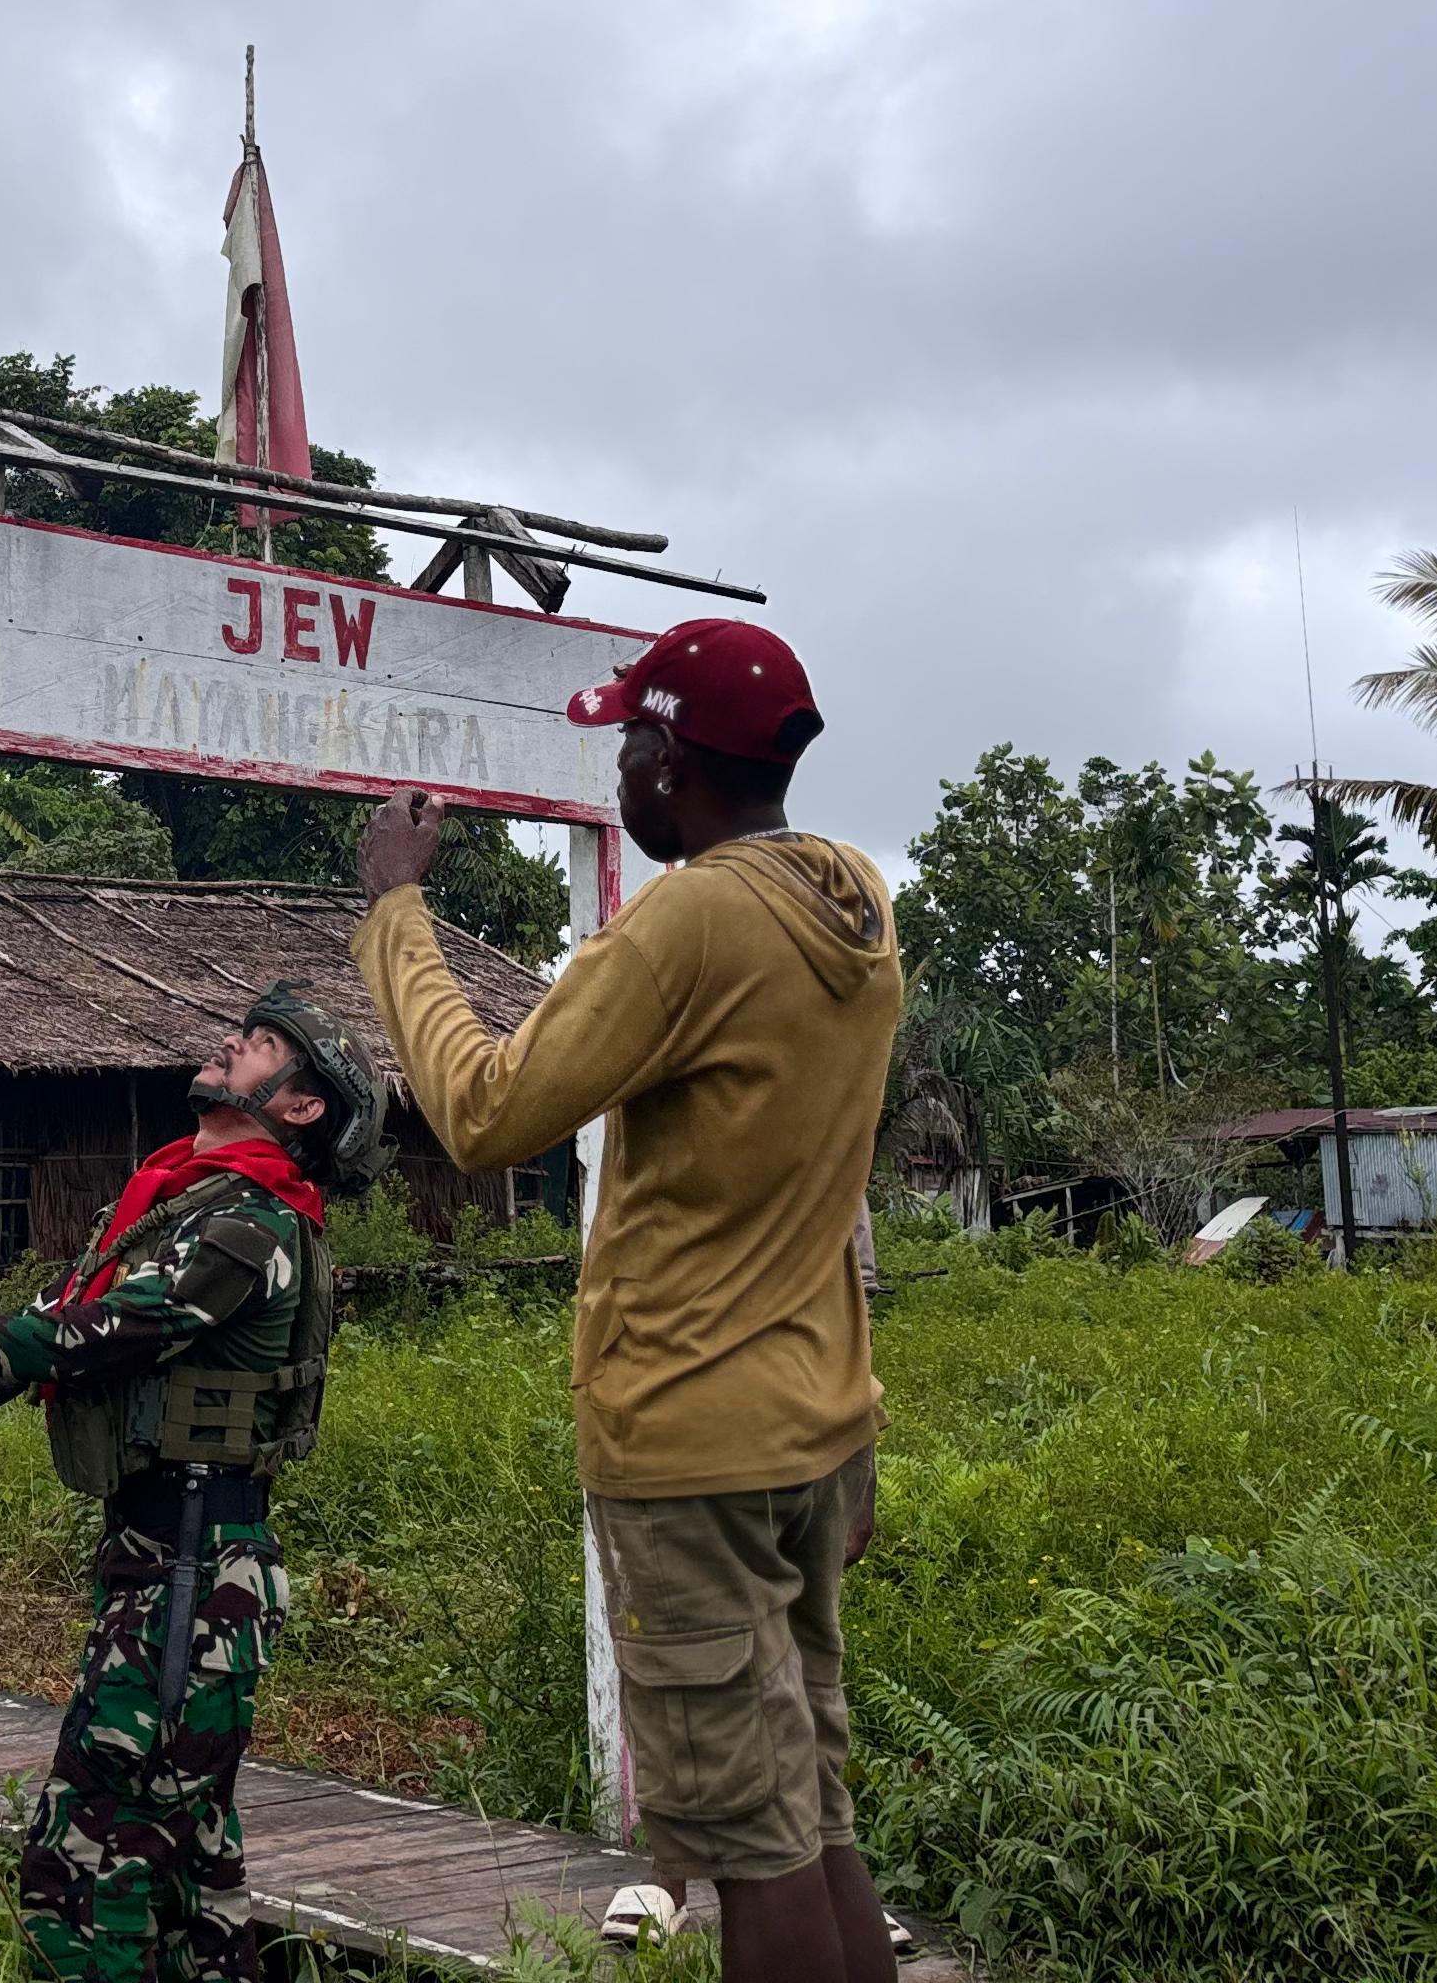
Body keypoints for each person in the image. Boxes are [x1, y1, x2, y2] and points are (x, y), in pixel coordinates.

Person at [351, 618, 904, 1983]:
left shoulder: (692, 920)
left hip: (691, 1445)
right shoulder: (854, 899)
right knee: (815, 1813)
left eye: (627, 745)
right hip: (817, 1428)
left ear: (668, 758)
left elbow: (483, 1112)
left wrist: (394, 911)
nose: (616, 776)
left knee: (745, 1847)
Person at [0, 986, 382, 1983]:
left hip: (194, 1575)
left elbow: (90, 1340)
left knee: (92, 1856)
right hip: (159, 1562)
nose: (227, 1046)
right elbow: (50, 1327)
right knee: (184, 1860)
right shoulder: (177, 1201)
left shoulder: (249, 1232)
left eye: (258, 1048)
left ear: (301, 1108)